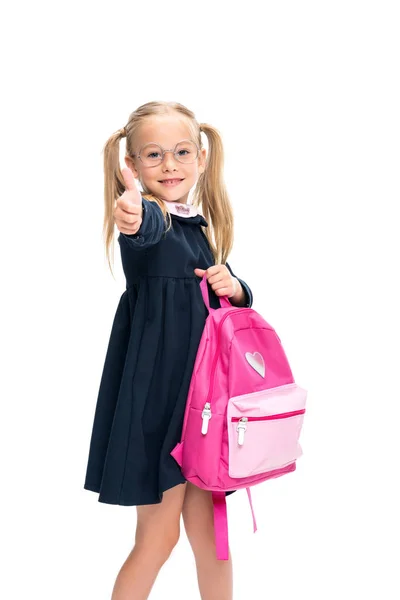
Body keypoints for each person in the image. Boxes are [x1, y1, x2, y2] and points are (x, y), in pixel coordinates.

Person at [83, 100, 253, 600]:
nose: (170, 165)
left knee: (212, 541)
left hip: (204, 406)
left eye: (181, 152)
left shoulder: (197, 228)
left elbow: (219, 309)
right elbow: (140, 231)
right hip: (159, 409)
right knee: (158, 538)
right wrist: (131, 212)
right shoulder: (150, 220)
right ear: (131, 167)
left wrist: (236, 286)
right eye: (153, 156)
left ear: (201, 157)